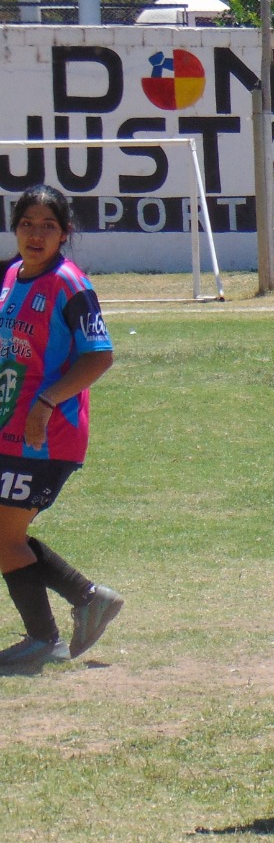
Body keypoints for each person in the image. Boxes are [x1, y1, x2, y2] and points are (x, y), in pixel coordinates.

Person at [0, 184, 123, 671]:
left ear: (64, 233)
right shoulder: (11, 276)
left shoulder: (70, 284)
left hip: (47, 434)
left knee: (5, 536)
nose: (36, 233)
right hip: (11, 426)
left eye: (48, 225)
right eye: (27, 223)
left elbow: (100, 354)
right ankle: (89, 599)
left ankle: (44, 639)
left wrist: (48, 401)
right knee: (4, 534)